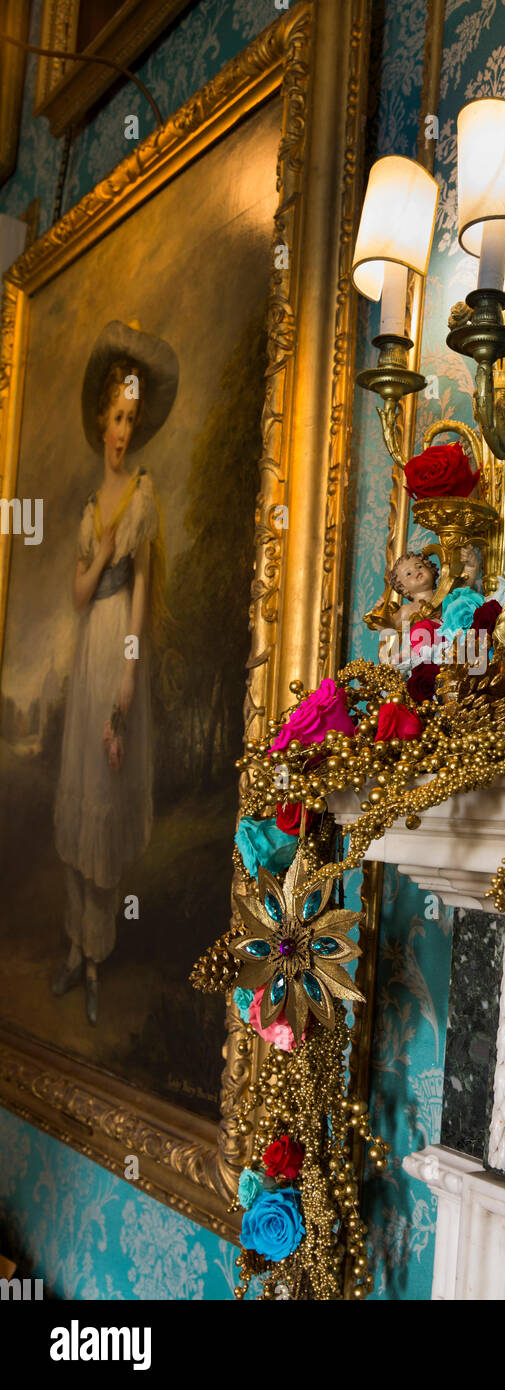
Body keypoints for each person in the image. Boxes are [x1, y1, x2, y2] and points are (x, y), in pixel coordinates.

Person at [52, 321, 178, 1025]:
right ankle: (75, 949)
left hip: (118, 656)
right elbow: (78, 594)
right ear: (101, 421)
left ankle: (99, 951)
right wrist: (97, 553)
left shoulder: (143, 497)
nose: (123, 431)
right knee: (77, 795)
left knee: (104, 798)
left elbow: (141, 598)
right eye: (116, 418)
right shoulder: (93, 508)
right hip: (84, 653)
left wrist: (128, 679)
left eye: (132, 419)